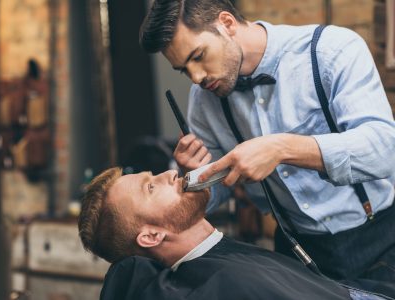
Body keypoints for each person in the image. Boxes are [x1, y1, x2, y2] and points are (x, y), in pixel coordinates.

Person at [139, 0, 395, 292]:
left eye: (198, 56)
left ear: (227, 23)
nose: (196, 77)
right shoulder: (204, 101)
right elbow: (217, 190)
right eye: (183, 70)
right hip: (296, 249)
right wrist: (195, 178)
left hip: (380, 240)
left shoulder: (332, 52)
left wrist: (282, 148)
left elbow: (384, 150)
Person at [78, 167, 391, 300]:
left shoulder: (221, 259)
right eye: (151, 186)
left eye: (153, 174)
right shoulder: (215, 287)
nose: (170, 173)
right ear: (150, 237)